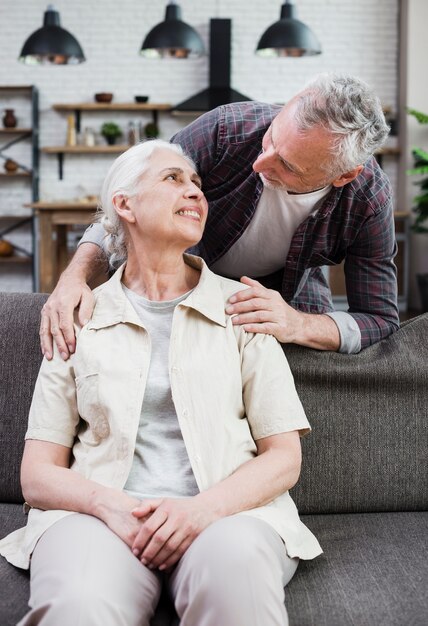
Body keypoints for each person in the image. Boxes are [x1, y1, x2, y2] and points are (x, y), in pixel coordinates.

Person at [0, 140, 322, 626]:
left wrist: (199, 512)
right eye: (173, 178)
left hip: (229, 516)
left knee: (238, 592)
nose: (194, 191)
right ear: (124, 205)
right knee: (78, 606)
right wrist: (111, 506)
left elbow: (284, 456)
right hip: (99, 520)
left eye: (197, 183)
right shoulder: (77, 317)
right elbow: (38, 473)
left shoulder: (242, 306)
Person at [39, 73, 399, 360]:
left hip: (285, 302)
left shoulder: (368, 199)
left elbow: (380, 318)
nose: (260, 164)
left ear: (343, 175)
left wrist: (299, 325)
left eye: (287, 165)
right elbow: (136, 200)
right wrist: (74, 277)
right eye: (271, 139)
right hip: (189, 280)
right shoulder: (226, 130)